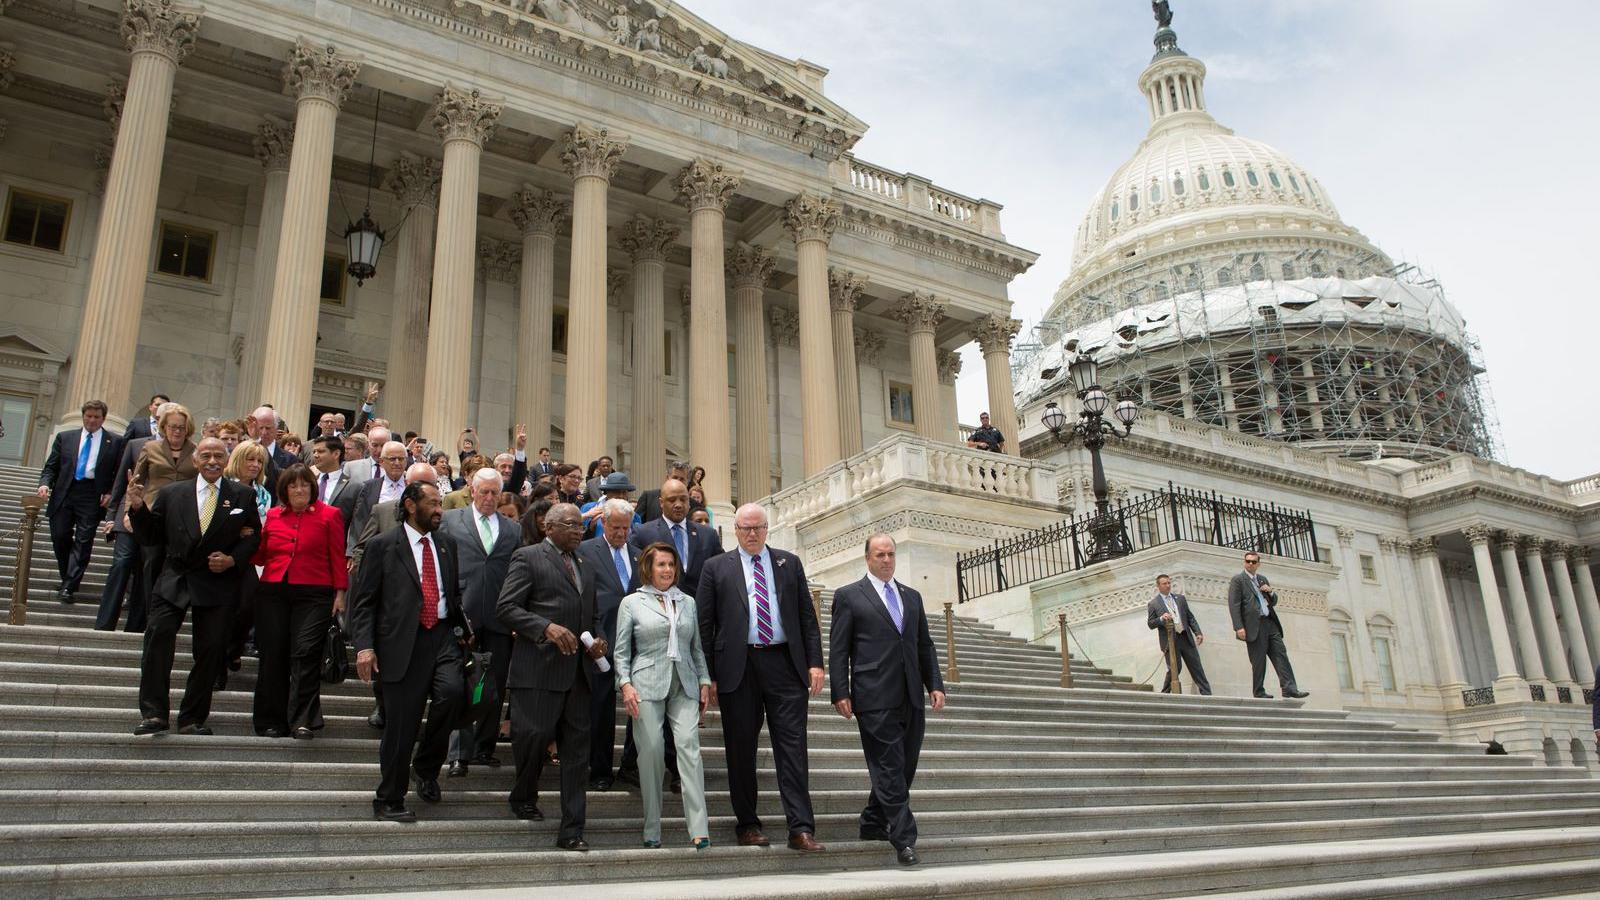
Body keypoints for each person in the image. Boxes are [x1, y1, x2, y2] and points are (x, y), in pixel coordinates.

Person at [696, 503, 825, 852]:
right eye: (745, 528)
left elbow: (806, 617)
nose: (752, 534)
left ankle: (800, 828)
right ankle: (748, 825)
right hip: (738, 667)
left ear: (767, 529)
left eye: (758, 528)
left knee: (793, 749)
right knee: (740, 750)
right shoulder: (715, 568)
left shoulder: (789, 563)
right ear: (735, 530)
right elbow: (705, 626)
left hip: (785, 664)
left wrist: (816, 662)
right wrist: (707, 675)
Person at [349, 481, 470, 823]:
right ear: (410, 505)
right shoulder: (382, 546)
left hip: (443, 637)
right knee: (401, 726)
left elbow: (451, 595)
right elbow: (364, 603)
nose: (438, 510)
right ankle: (388, 798)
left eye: (440, 504)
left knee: (453, 695)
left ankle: (426, 767)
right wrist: (365, 647)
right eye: (432, 503)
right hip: (403, 643)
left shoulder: (447, 545)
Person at [125, 437, 261, 735]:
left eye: (218, 455)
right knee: (158, 638)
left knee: (211, 648)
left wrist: (231, 559)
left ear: (227, 460)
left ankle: (192, 718)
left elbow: (253, 538)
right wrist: (138, 508)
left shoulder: (242, 495)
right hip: (175, 577)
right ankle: (154, 714)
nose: (212, 461)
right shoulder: (172, 493)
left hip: (216, 581)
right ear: (196, 460)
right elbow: (151, 536)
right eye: (206, 455)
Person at [496, 503, 608, 851]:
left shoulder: (586, 567)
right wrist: (545, 627)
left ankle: (572, 828)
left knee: (576, 755)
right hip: (538, 670)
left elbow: (593, 616)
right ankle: (523, 795)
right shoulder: (527, 558)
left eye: (581, 526)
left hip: (578, 675)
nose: (579, 531)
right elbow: (506, 608)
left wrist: (598, 639)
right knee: (531, 739)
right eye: (572, 525)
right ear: (549, 527)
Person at [829, 534, 945, 866]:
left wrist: (934, 683)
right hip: (873, 695)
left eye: (891, 554)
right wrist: (841, 691)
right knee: (890, 766)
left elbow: (925, 645)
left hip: (910, 694)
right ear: (867, 558)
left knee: (903, 765)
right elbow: (839, 650)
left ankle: (872, 821)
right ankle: (904, 838)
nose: (886, 560)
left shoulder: (912, 596)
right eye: (879, 554)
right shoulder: (849, 596)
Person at [623, 477, 722, 785]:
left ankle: (679, 769)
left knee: (683, 702)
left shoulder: (706, 536)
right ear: (660, 503)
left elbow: (719, 577)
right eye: (672, 500)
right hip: (652, 629)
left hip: (691, 626)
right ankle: (634, 764)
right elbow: (635, 580)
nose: (679, 504)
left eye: (684, 499)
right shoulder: (642, 532)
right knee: (649, 706)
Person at [615, 542, 712, 849]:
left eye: (671, 564)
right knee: (653, 752)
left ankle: (699, 829)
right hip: (645, 684)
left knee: (689, 749)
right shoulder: (631, 602)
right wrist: (625, 684)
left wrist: (705, 680)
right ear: (648, 567)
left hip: (684, 682)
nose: (667, 570)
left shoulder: (688, 602)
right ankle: (652, 828)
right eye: (661, 564)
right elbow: (621, 651)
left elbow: (696, 647)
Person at [251, 464, 347, 739]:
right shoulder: (272, 515)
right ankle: (271, 720)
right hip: (274, 591)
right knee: (273, 655)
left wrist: (340, 593)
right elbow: (260, 555)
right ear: (284, 489)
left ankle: (303, 719)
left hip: (315, 593)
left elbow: (337, 556)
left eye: (304, 484)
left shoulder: (330, 515)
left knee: (305, 653)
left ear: (312, 487)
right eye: (293, 485)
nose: (299, 489)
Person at [441, 469, 521, 775]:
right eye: (483, 492)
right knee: (463, 683)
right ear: (472, 491)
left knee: (494, 685)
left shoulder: (512, 530)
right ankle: (459, 754)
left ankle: (485, 748)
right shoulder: (451, 521)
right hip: (463, 614)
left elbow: (517, 573)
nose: (488, 498)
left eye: (494, 493)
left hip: (500, 619)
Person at [577, 499, 641, 790]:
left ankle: (630, 765)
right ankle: (599, 769)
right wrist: (592, 635)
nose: (621, 533)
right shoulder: (585, 551)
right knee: (600, 709)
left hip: (636, 644)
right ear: (603, 523)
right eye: (615, 527)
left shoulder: (641, 556)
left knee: (639, 709)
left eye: (625, 528)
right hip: (600, 640)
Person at [38, 399, 123, 603]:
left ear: (103, 419)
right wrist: (44, 484)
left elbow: (118, 472)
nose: (92, 420)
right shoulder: (65, 438)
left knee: (84, 542)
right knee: (60, 536)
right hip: (64, 492)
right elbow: (52, 466)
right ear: (83, 416)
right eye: (88, 416)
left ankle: (69, 586)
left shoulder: (115, 442)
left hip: (92, 495)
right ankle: (68, 576)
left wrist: (111, 492)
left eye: (96, 417)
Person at [1228, 552, 1308, 699]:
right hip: (1254, 625)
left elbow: (1273, 601)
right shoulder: (1238, 580)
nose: (1250, 564)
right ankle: (1259, 691)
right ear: (1244, 562)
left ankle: (1289, 688)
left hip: (1270, 623)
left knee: (1281, 655)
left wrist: (1270, 592)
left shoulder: (1262, 579)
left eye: (1253, 562)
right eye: (1248, 561)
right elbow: (1234, 605)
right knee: (1259, 660)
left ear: (1258, 564)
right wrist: (1238, 627)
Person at [95, 429, 153, 631]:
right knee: (121, 564)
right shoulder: (136, 444)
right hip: (126, 516)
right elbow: (120, 482)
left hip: (153, 519)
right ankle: (104, 623)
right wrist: (111, 517)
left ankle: (135, 627)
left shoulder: (183, 451)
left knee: (145, 571)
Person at [1147, 574, 1211, 695]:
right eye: (1164, 583)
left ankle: (1207, 694)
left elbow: (1190, 617)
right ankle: (1164, 693)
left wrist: (1198, 632)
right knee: (1175, 669)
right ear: (1158, 586)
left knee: (1196, 667)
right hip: (1170, 641)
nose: (1167, 586)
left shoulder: (1180, 598)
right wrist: (1161, 618)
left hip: (1185, 637)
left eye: (1169, 583)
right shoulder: (1153, 604)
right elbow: (1150, 623)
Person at [347, 441, 410, 554]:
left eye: (401, 459)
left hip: (407, 549)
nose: (397, 463)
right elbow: (359, 522)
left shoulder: (412, 487)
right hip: (376, 549)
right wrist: (352, 553)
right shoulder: (369, 487)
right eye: (392, 459)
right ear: (381, 462)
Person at [308, 435, 359, 535]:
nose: (315, 455)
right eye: (314, 452)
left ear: (336, 454)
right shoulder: (307, 482)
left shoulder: (353, 487)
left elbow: (355, 525)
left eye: (321, 451)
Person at [579, 470, 639, 537]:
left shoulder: (634, 516)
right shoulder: (588, 509)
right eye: (616, 492)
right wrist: (590, 528)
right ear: (606, 492)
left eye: (624, 492)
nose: (621, 496)